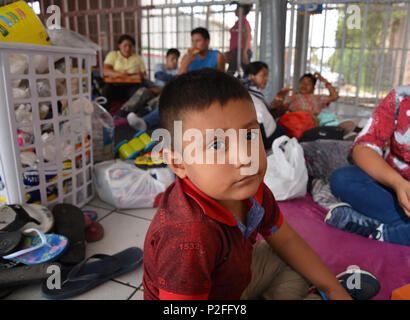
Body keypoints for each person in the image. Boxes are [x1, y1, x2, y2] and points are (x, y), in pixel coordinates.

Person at [143, 69, 351, 300]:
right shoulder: (187, 236)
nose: (245, 157)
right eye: (217, 145)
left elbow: (288, 240)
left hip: (233, 280)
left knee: (290, 259)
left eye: (250, 136)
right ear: (178, 163)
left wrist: (335, 290)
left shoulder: (253, 190)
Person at [325, 85, 410, 246]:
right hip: (393, 186)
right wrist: (398, 183)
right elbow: (363, 148)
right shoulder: (401, 97)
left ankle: (381, 232)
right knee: (343, 178)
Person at [127, 48, 180, 131]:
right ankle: (124, 113)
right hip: (154, 88)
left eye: (177, 59)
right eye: (172, 59)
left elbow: (167, 79)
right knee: (143, 91)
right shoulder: (160, 66)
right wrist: (172, 78)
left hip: (165, 91)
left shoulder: (178, 70)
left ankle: (141, 116)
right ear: (166, 58)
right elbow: (159, 76)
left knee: (162, 98)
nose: (175, 61)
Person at [240, 61, 287, 149]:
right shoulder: (249, 94)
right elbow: (260, 114)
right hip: (263, 134)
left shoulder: (249, 91)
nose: (266, 79)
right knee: (283, 131)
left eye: (267, 75)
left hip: (261, 131)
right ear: (251, 76)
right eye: (263, 75)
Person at [101, 34, 147, 111]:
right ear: (119, 45)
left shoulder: (137, 58)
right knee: (106, 91)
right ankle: (104, 113)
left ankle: (128, 114)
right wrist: (122, 74)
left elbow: (143, 73)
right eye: (125, 45)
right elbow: (106, 71)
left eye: (130, 46)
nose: (128, 48)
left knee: (137, 93)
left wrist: (136, 75)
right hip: (114, 85)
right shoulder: (113, 55)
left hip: (132, 86)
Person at [226, 3, 253, 75]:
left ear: (242, 10)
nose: (235, 10)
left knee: (230, 73)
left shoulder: (243, 21)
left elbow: (246, 36)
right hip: (239, 51)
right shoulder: (240, 21)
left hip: (241, 51)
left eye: (237, 8)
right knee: (243, 73)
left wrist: (244, 53)